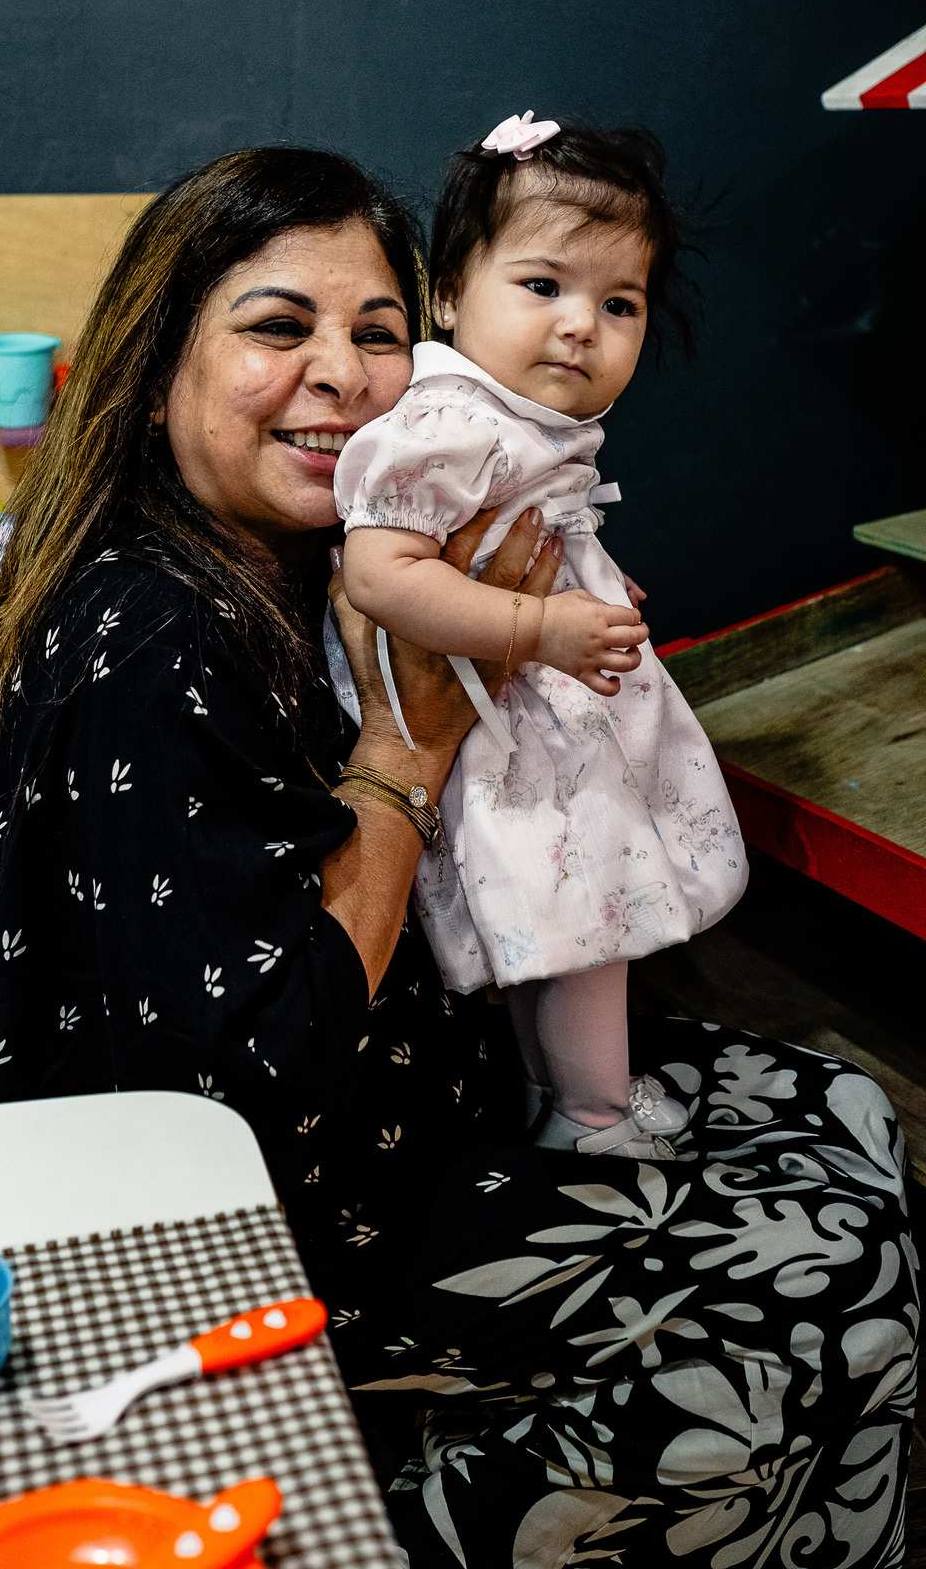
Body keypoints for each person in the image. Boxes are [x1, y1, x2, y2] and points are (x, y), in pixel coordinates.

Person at [0, 147, 915, 1566]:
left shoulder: (301, 560)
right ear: (154, 373)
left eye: (378, 333)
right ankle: (428, 1522)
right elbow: (260, 1078)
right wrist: (414, 748)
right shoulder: (151, 639)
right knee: (830, 1284)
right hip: (293, 1224)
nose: (340, 373)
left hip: (438, 1088)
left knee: (843, 1106)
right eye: (279, 327)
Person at [335, 112, 748, 1160]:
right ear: (446, 294)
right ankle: (594, 1118)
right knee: (590, 923)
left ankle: (554, 1096)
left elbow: (493, 541)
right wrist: (541, 623)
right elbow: (380, 572)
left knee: (560, 927)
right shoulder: (450, 422)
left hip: (533, 720)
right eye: (543, 285)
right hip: (498, 728)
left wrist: (581, 576)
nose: (580, 327)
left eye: (619, 303)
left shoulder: (508, 422)